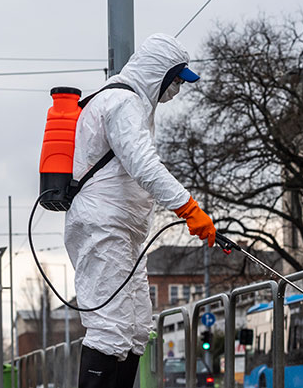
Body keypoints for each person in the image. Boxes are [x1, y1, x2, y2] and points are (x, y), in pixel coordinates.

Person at [64, 33, 217, 388]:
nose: (176, 89)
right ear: (157, 73)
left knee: (135, 327)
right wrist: (189, 209)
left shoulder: (128, 104)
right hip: (105, 228)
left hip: (124, 232)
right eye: (175, 80)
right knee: (109, 327)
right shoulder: (123, 104)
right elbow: (144, 166)